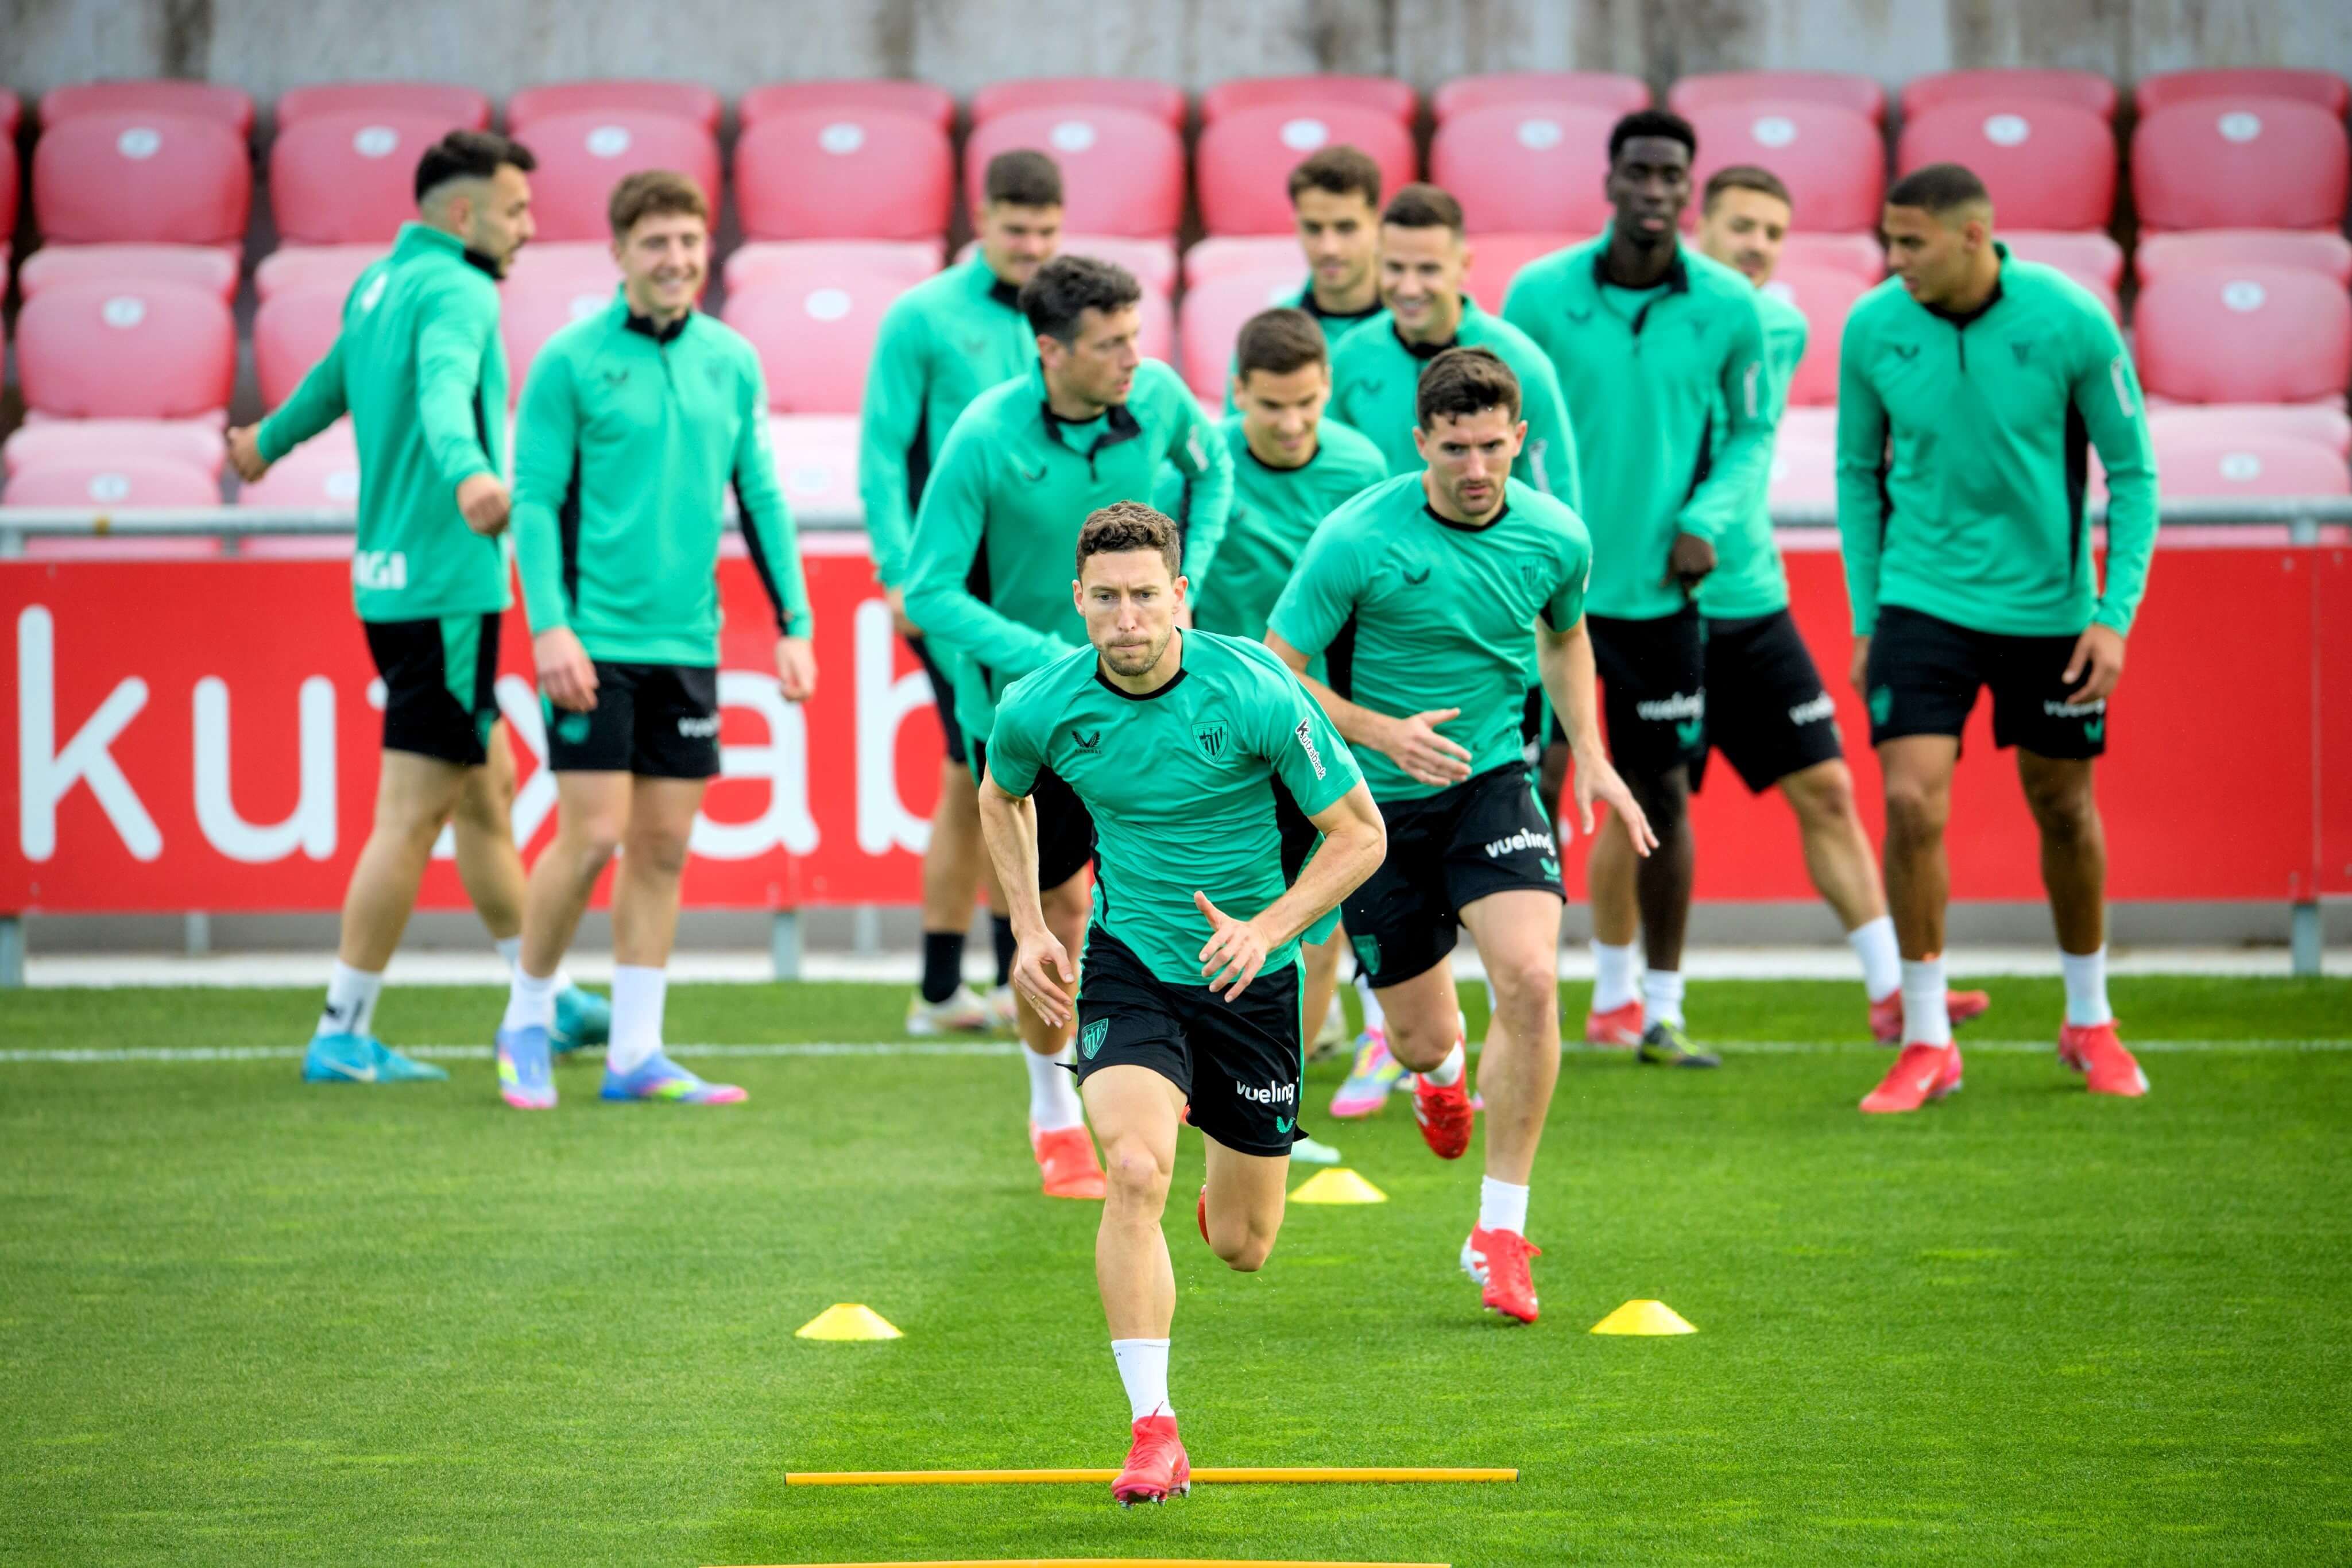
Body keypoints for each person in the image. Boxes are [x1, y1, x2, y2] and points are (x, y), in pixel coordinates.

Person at [982, 502, 1385, 1505]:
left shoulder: (1254, 686)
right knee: (1130, 1169)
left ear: (1180, 596)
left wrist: (1268, 928)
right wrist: (1030, 926)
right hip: (1130, 966)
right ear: (1078, 600)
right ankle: (1153, 1427)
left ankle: (1222, 1172)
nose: (1126, 618)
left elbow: (1361, 834)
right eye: (1106, 598)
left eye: (1144, 596)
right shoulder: (1040, 703)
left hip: (1250, 976)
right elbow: (1001, 794)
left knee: (1244, 1247)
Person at [1268, 348, 1653, 1324]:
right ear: (1421, 443)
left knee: (1530, 978)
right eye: (1454, 450)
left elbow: (1565, 635)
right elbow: (1279, 672)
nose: (1476, 469)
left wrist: (1589, 751)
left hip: (1491, 785)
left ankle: (1500, 1229)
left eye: (1492, 447)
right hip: (1373, 812)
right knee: (1423, 1035)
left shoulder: (1556, 536)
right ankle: (1439, 1076)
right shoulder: (1356, 538)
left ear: (1520, 437)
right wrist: (1378, 730)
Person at [228, 129, 611, 1085]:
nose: (528, 227)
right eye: (515, 210)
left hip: (388, 582)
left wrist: (263, 444)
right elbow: (445, 391)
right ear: (463, 213)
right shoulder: (460, 290)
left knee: (488, 787)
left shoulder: (378, 284)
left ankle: (547, 994)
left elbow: (330, 385)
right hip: (448, 589)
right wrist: (471, 472)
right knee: (410, 814)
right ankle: (342, 1029)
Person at [906, 255, 1235, 1198]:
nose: (1135, 357)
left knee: (1172, 894)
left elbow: (1211, 475)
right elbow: (928, 590)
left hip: (1153, 700)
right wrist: (1052, 659)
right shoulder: (984, 435)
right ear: (1050, 351)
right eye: (1111, 344)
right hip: (1030, 720)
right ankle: (1053, 1113)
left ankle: (1170, 1075)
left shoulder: (1159, 397)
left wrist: (1186, 584)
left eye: (1136, 336)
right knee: (1060, 918)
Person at [490, 169, 815, 1110]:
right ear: (620, 253)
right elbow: (535, 503)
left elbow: (760, 494)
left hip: (688, 644)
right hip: (592, 641)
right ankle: (526, 1018)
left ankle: (636, 1052)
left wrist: (795, 623)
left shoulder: (732, 359)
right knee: (592, 835)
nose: (675, 259)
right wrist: (550, 626)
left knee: (664, 846)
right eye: (656, 243)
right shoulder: (569, 361)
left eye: (688, 241)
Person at [1838, 163, 2156, 1113]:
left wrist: (2113, 617)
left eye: (1912, 242)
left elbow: (2134, 474)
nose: (1894, 259)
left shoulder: (2072, 320)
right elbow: (1857, 474)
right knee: (1910, 803)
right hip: (1919, 599)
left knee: (2063, 806)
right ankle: (1927, 1039)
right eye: (1889, 240)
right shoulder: (1872, 326)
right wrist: (1867, 616)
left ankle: (2089, 1019)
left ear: (1972, 236)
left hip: (2050, 611)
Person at [1678, 165, 2001, 1043]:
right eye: (1741, 225)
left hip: (1753, 591)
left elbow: (1747, 445)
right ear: (1701, 227)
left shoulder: (1783, 326)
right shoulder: (1663, 317)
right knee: (1651, 804)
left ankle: (1893, 986)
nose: (1756, 245)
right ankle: (1626, 997)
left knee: (1826, 785)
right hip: (1654, 601)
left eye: (1772, 232)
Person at [1503, 109, 1774, 1070]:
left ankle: (1657, 1007)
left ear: (1688, 189)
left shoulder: (1729, 305)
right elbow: (1498, 421)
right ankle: (1530, 1000)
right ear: (1610, 181)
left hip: (1662, 598)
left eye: (1671, 175)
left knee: (1659, 791)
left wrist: (1708, 516)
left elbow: (1753, 430)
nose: (1655, 190)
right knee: (1534, 788)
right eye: (1640, 172)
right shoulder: (1538, 294)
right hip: (1548, 597)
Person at [1156, 308, 1389, 1155]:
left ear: (1328, 390)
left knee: (1312, 923)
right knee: (1202, 916)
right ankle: (1186, 1099)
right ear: (1237, 394)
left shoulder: (1362, 467)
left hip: (1317, 725)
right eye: (1271, 406)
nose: (1292, 423)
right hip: (1214, 730)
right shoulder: (1199, 471)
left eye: (1307, 403)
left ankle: (1273, 1119)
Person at [860, 150, 1065, 1038]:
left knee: (969, 776)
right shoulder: (922, 316)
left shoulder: (1068, 315)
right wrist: (897, 572)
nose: (1032, 246)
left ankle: (947, 985)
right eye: (1017, 229)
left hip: (1041, 588)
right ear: (979, 219)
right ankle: (992, 976)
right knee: (993, 772)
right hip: (953, 594)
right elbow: (882, 451)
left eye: (1047, 230)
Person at [1327, 184, 1579, 504]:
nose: (1409, 288)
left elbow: (1555, 504)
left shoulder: (1522, 365)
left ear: (1464, 265)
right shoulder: (1350, 356)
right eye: (1395, 267)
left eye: (1428, 269)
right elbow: (1328, 482)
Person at [1218, 144, 1388, 408]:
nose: (1329, 248)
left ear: (1377, 225)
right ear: (1296, 226)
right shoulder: (1264, 338)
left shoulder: (1421, 330)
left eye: (1346, 228)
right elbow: (1238, 432)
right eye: (1313, 228)